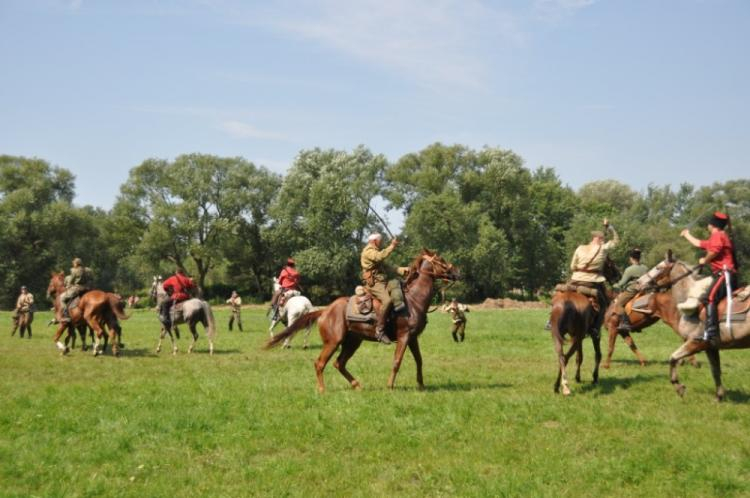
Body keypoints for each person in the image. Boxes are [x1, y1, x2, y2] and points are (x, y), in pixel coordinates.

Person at [680, 211, 738, 345]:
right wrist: (687, 235)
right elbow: (700, 244)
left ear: (712, 225)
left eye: (709, 224)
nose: (707, 226)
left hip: (725, 274)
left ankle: (711, 334)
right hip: (724, 274)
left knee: (709, 298)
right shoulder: (718, 236)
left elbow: (714, 252)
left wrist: (704, 260)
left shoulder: (718, 235)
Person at [568, 219, 620, 338]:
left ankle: (550, 321)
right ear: (601, 240)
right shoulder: (603, 248)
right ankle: (596, 328)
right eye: (603, 240)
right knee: (603, 304)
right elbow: (616, 241)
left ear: (593, 238)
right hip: (593, 281)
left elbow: (572, 266)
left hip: (575, 279)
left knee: (563, 294)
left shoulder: (580, 247)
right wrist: (609, 227)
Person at [360, 232, 405, 344]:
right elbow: (380, 256)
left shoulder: (375, 251)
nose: (382, 242)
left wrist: (404, 270)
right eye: (380, 240)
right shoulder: (368, 251)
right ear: (375, 241)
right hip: (374, 283)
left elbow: (389, 267)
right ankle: (379, 330)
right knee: (387, 300)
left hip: (382, 281)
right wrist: (392, 246)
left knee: (399, 288)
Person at [612, 248, 648, 332]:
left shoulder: (629, 270)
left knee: (618, 304)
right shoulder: (645, 268)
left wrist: (614, 285)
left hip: (632, 290)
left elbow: (622, 283)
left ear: (631, 258)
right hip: (643, 290)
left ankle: (625, 323)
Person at [60, 258, 94, 323]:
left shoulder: (74, 271)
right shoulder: (88, 270)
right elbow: (92, 279)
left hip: (78, 289)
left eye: (73, 263)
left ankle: (66, 315)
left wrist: (68, 286)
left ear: (76, 263)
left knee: (62, 298)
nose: (73, 264)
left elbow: (71, 281)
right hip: (89, 289)